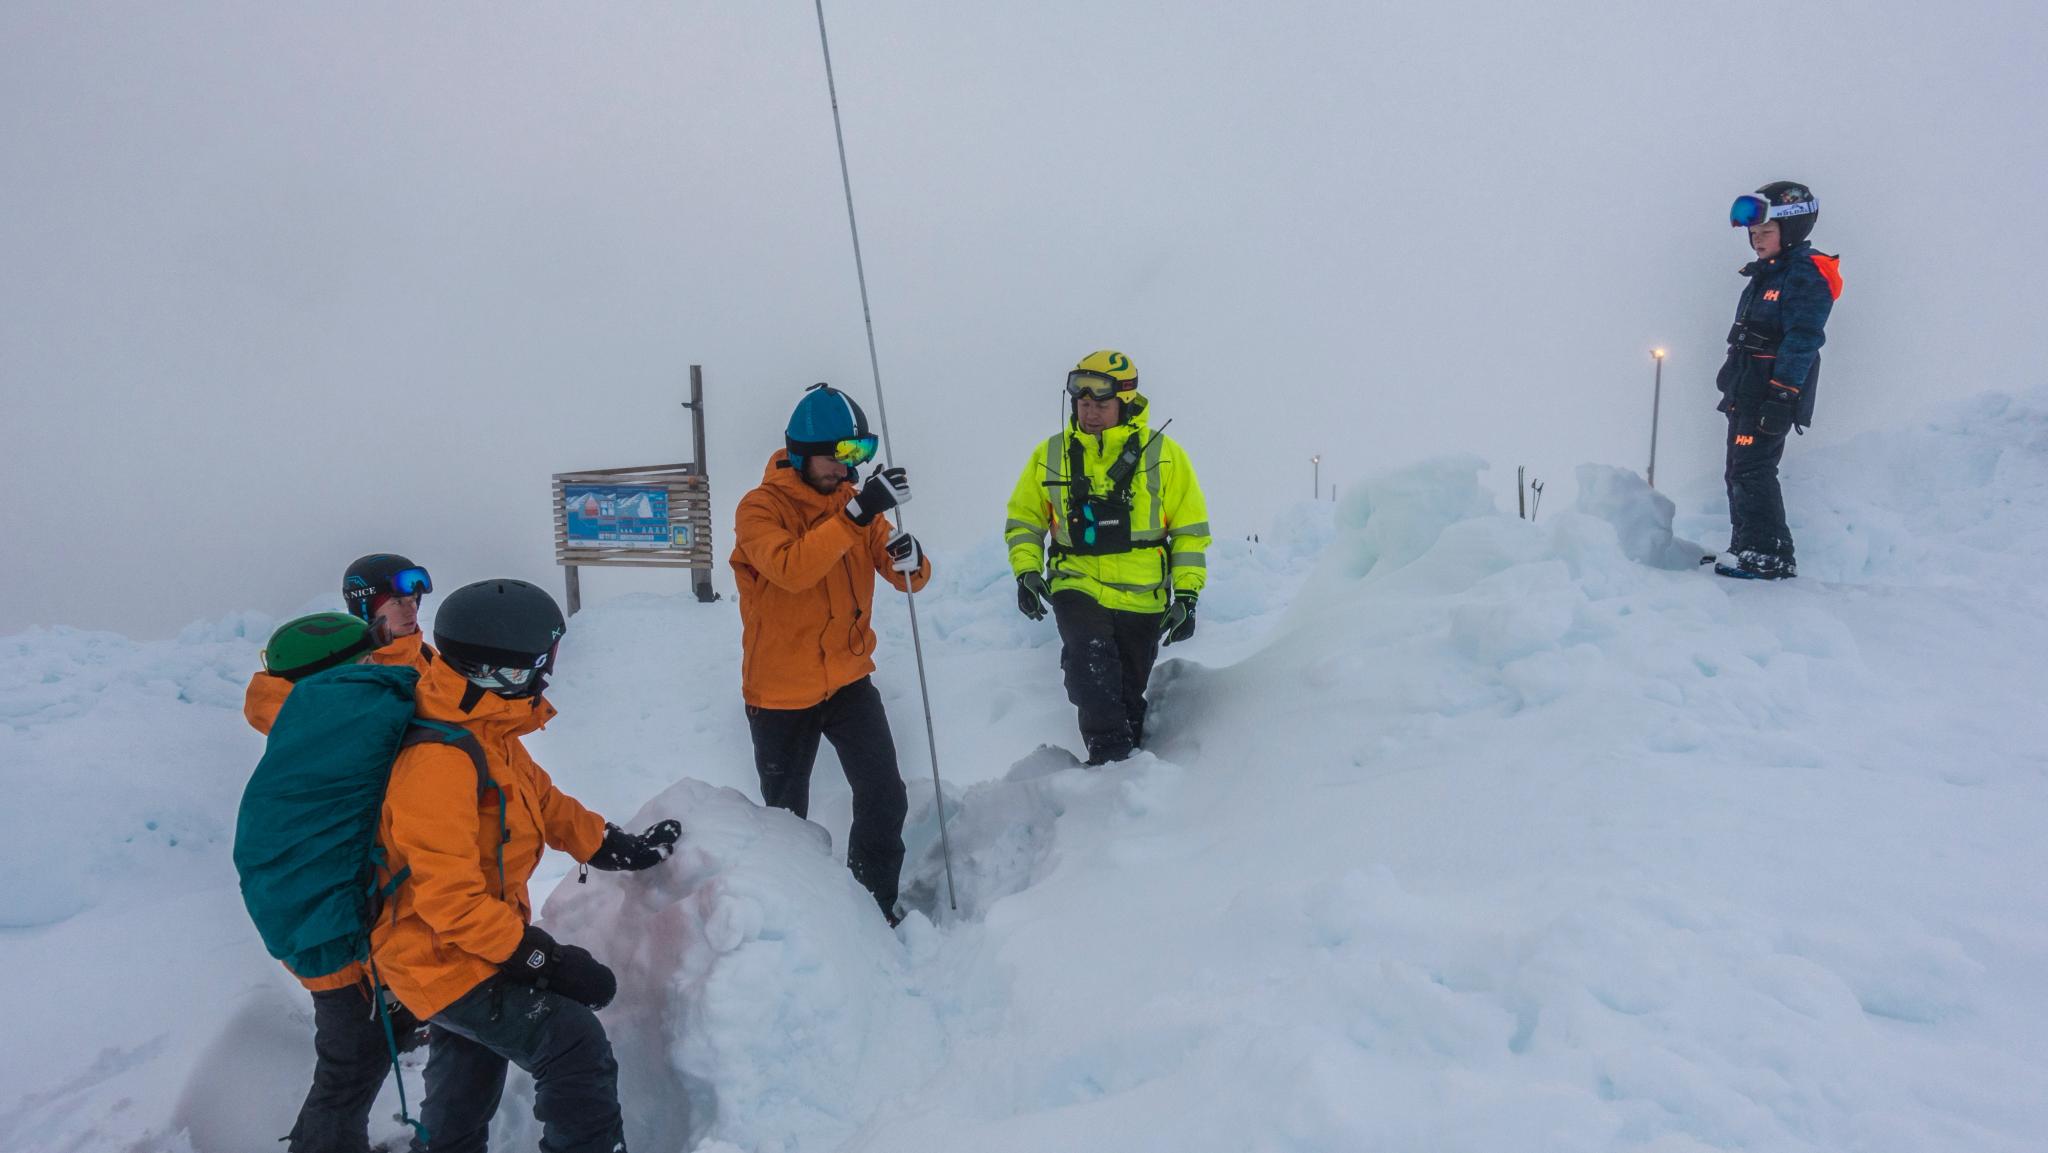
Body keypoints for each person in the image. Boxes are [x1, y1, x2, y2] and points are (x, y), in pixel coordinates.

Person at [369, 578, 681, 1153]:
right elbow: (447, 901)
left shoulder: (484, 729)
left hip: (465, 946)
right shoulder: (438, 763)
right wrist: (541, 958)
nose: (550, 672)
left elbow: (545, 803)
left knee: (470, 1065)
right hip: (437, 955)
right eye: (543, 661)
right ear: (504, 670)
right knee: (569, 1040)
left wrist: (612, 846)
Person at [242, 554, 437, 1153]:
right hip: (330, 913)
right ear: (362, 607)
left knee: (373, 1034)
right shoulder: (316, 699)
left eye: (414, 598)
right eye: (393, 600)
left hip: (352, 894)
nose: (410, 609)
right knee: (349, 1060)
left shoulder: (390, 669)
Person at [730, 383, 931, 923]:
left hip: (847, 681)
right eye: (838, 457)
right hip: (779, 693)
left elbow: (905, 577)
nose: (848, 471)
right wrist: (859, 515)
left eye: (858, 456)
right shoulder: (758, 509)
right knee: (785, 821)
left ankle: (871, 909)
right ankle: (796, 924)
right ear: (799, 455)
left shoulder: (850, 504)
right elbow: (791, 569)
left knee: (885, 795)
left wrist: (909, 559)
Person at [1004, 350, 1211, 764]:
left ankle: (1134, 764)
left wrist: (1186, 598)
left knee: (1127, 691)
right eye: (1083, 403)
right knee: (1089, 667)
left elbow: (1189, 533)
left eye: (1100, 403)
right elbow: (1025, 520)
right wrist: (1026, 570)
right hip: (1076, 584)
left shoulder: (1166, 457)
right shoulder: (1050, 454)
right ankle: (1110, 763)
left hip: (1143, 597)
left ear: (1127, 403)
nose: (1090, 412)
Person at [1714, 181, 1843, 580]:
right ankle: (1745, 547)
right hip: (1746, 387)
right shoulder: (1766, 274)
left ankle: (1770, 556)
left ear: (1791, 230)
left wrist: (1783, 394)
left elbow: (1804, 337)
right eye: (1753, 234)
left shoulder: (1804, 274)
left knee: (1754, 469)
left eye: (1765, 233)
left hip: (1770, 392)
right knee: (1738, 468)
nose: (1756, 241)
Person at [246, 553, 435, 736]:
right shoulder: (339, 658)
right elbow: (268, 701)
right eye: (397, 603)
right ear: (366, 607)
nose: (411, 610)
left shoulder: (426, 655)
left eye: (413, 600)